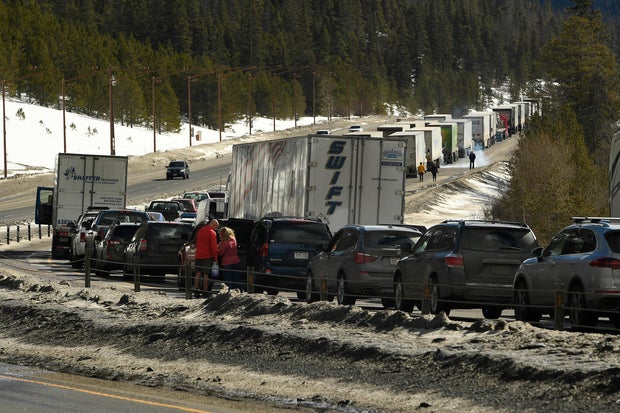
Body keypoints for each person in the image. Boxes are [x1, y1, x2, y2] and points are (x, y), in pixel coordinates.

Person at [193, 218, 219, 298]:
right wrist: (216, 258)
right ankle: (205, 291)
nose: (216, 229)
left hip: (198, 255)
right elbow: (213, 247)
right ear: (213, 225)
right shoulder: (212, 233)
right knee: (206, 274)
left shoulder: (200, 231)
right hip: (208, 256)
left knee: (198, 273)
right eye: (216, 227)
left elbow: (197, 242)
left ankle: (196, 291)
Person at [218, 226, 243, 292]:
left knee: (228, 279)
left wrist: (219, 246)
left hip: (227, 263)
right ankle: (239, 292)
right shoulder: (234, 239)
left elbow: (221, 253)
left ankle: (229, 293)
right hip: (236, 261)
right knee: (237, 278)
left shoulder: (224, 243)